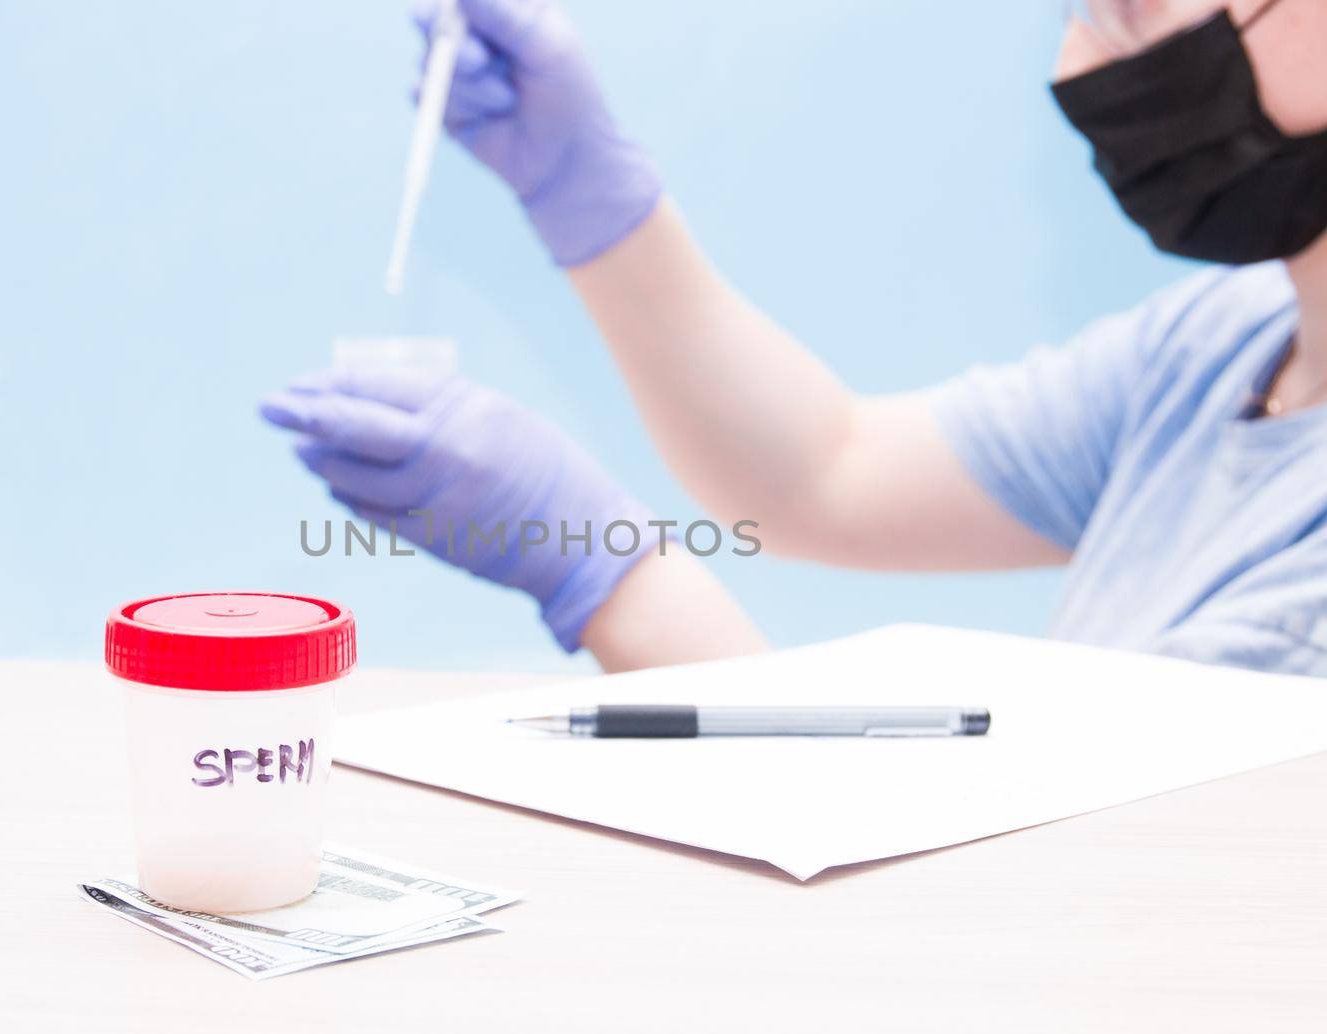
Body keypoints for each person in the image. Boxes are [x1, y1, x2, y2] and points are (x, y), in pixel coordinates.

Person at [262, 0, 1327, 676]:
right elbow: (826, 469)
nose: (1078, 61)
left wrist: (601, 571)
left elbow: (1001, 916)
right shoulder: (1225, 344)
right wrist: (586, 196)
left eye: (1132, 5)